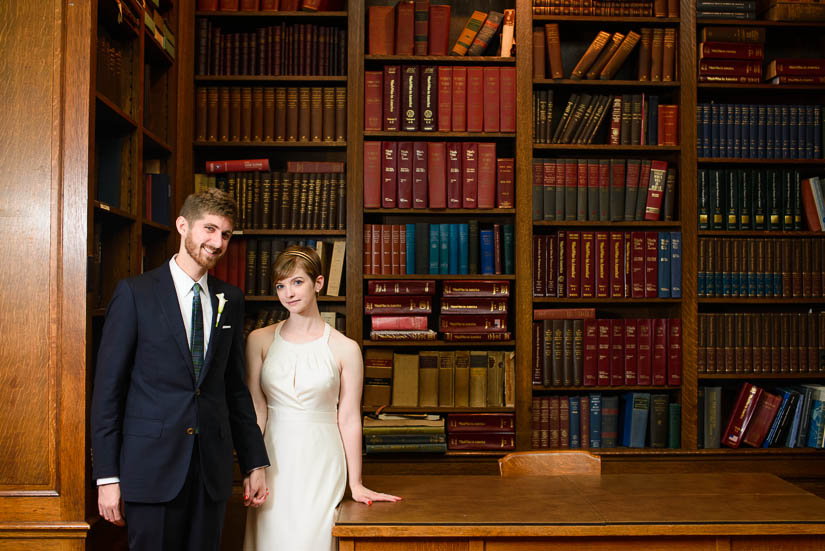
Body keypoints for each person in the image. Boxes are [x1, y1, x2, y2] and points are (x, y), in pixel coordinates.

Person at [91, 188, 270, 551]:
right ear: (182, 225)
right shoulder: (134, 294)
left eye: (226, 234)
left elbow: (235, 389)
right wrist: (107, 477)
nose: (217, 242)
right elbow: (108, 392)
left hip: (211, 473)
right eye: (209, 229)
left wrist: (254, 463)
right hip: (150, 470)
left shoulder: (230, 299)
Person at [243, 245, 400, 551]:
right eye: (281, 285)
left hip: (322, 461)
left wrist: (355, 483)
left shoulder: (346, 348)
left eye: (297, 282)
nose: (288, 292)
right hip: (272, 460)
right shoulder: (258, 340)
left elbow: (349, 418)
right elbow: (256, 411)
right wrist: (252, 468)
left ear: (318, 283)